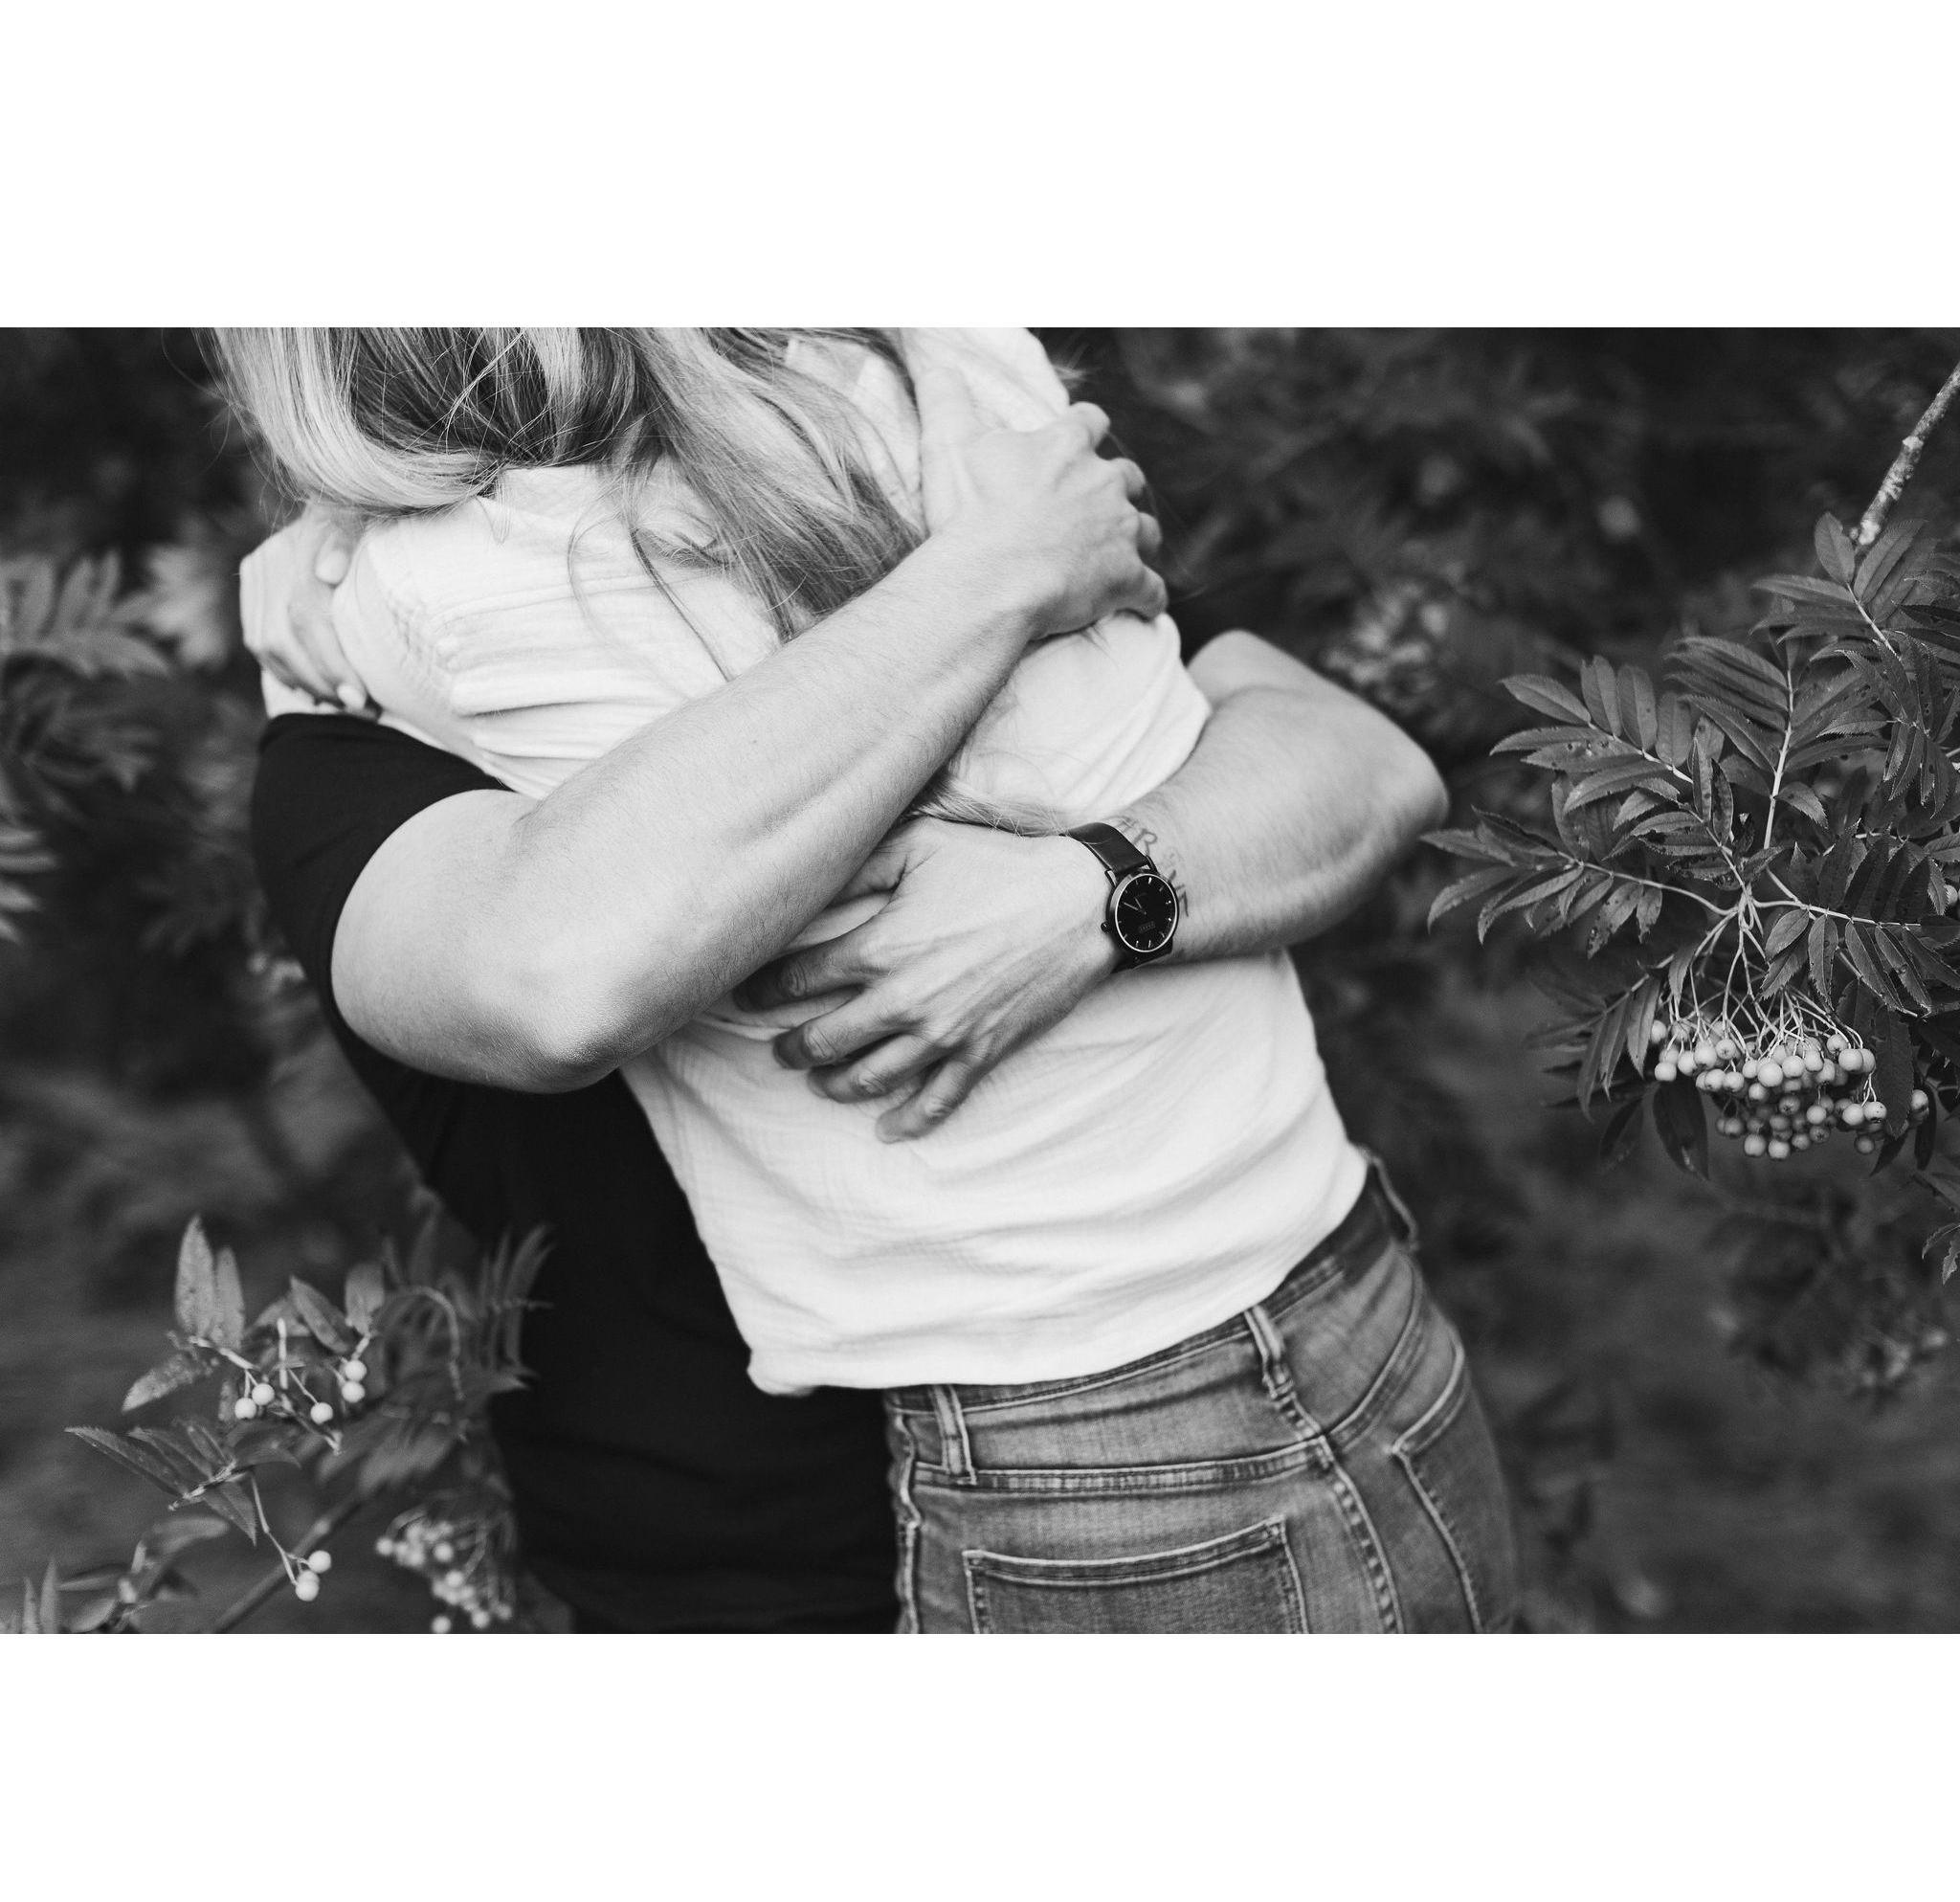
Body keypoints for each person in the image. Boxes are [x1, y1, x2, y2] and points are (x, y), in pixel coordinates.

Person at [239, 328, 1516, 1632]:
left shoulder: (953, 470)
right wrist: (1001, 551)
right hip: (1182, 1381)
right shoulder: (970, 462)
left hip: (1162, 1381)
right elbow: (556, 981)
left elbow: (1365, 765)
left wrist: (1089, 895)